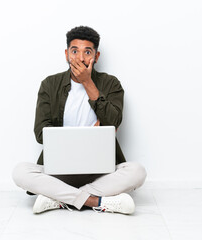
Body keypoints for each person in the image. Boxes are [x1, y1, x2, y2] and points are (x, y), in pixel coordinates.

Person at [12, 26, 146, 215]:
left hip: (100, 172)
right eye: (74, 51)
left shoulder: (111, 83)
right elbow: (41, 133)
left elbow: (114, 121)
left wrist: (88, 83)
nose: (80, 58)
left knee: (137, 171)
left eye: (87, 52)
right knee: (20, 171)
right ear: (67, 54)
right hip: (59, 172)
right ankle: (96, 201)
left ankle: (58, 199)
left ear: (96, 56)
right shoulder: (49, 84)